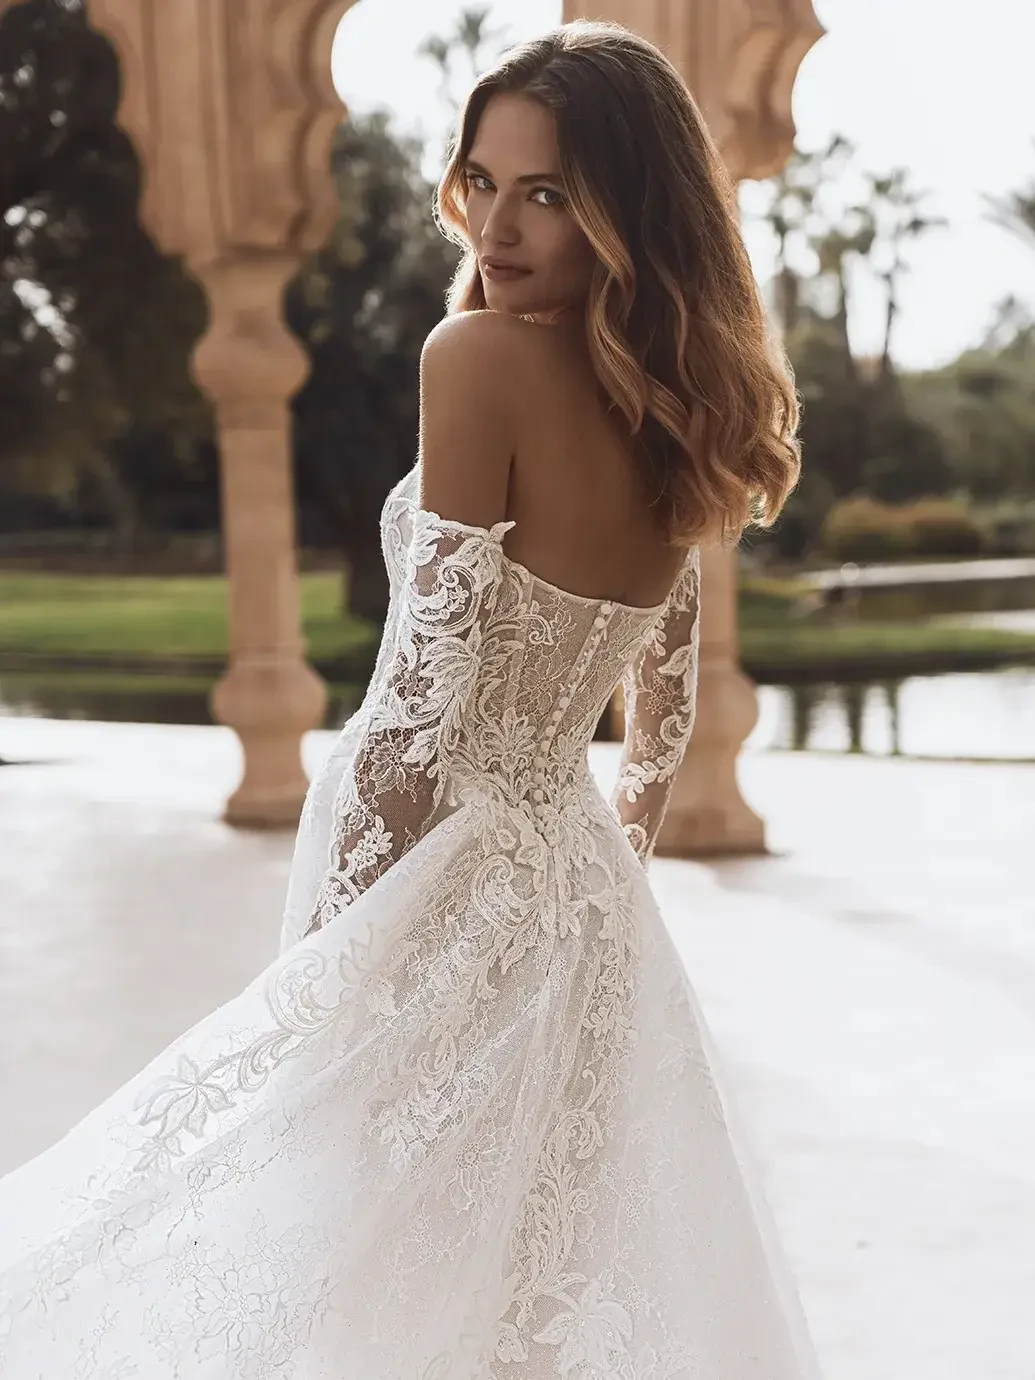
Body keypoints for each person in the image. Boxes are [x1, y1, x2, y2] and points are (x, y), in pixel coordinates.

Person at [0, 20, 819, 1379]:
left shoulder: (475, 358)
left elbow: (415, 702)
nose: (498, 225)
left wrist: (341, 936)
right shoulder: (679, 409)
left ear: (627, 206)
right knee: (517, 1269)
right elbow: (657, 722)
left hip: (436, 869)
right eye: (482, 181)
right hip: (577, 897)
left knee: (356, 1228)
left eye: (547, 193)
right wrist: (589, 873)